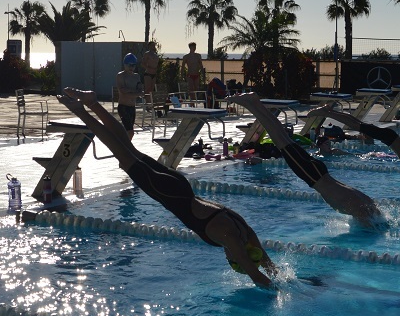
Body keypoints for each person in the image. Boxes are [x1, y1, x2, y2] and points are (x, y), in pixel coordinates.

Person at [59, 88, 275, 287]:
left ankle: (93, 102)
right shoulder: (231, 240)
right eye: (233, 262)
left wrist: (285, 280)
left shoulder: (246, 232)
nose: (229, 259)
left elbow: (268, 266)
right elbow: (258, 278)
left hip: (181, 187)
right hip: (166, 191)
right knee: (120, 152)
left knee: (128, 148)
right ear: (238, 257)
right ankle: (81, 111)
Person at [228, 93, 384, 228]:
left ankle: (254, 103)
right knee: (279, 138)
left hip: (320, 172)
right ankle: (252, 104)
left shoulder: (370, 206)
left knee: (281, 136)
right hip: (314, 177)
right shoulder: (365, 214)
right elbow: (366, 231)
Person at [308, 105, 400, 188]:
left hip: (390, 138)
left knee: (359, 125)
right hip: (389, 138)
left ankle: (329, 112)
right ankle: (326, 112)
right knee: (356, 125)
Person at [115, 53, 143, 140]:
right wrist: (135, 92)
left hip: (132, 108)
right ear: (125, 65)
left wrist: (130, 90)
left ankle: (123, 146)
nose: (131, 67)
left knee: (127, 131)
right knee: (130, 132)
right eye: (129, 65)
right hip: (123, 107)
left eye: (133, 65)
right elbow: (123, 92)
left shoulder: (136, 76)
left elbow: (141, 91)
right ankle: (127, 149)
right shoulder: (120, 75)